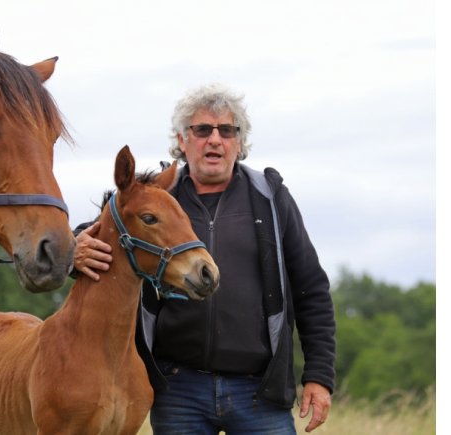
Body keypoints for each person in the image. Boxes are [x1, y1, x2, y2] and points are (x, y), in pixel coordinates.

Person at [73, 83, 335, 434]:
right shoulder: (158, 196)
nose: (215, 139)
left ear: (239, 143)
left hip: (259, 391)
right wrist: (74, 247)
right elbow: (103, 233)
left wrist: (319, 375)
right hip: (178, 389)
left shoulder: (270, 199)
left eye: (226, 130)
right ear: (182, 140)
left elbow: (311, 290)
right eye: (202, 130)